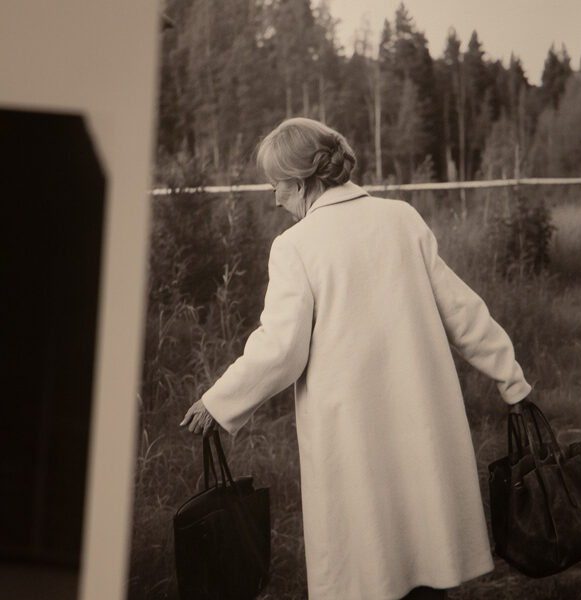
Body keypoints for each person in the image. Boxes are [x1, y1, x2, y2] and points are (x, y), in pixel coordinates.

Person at [180, 117, 531, 600]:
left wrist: (217, 401)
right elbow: (462, 310)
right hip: (421, 422)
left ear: (301, 181)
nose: (274, 198)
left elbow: (281, 349)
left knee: (369, 566)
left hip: (352, 437)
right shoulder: (401, 218)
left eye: (276, 185)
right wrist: (511, 380)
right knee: (426, 556)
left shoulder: (295, 246)